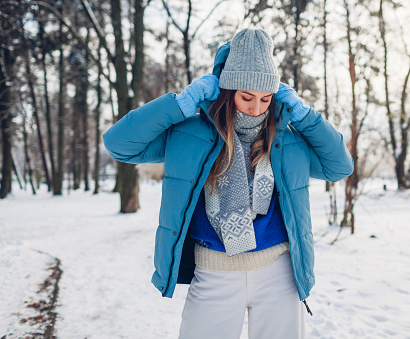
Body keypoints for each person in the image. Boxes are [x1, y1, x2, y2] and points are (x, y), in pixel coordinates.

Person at [103, 28, 353, 339]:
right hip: (215, 271)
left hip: (279, 272)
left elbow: (339, 166)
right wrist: (180, 104)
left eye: (266, 98)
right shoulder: (190, 134)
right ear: (228, 90)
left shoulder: (287, 137)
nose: (256, 108)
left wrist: (305, 115)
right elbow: (120, 144)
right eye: (247, 97)